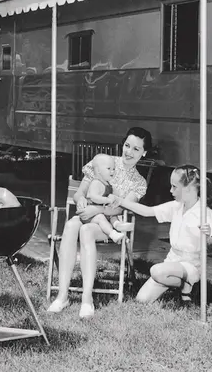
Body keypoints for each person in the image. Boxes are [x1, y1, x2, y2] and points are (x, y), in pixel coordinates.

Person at [47, 127, 152, 319]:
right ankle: (62, 295)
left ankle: (87, 299)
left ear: (144, 153)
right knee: (70, 225)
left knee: (86, 230)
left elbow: (121, 208)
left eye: (136, 149)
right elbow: (81, 191)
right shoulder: (104, 162)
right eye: (127, 145)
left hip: (109, 223)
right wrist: (80, 198)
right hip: (87, 214)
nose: (129, 152)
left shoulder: (139, 182)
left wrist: (96, 210)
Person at [112, 164, 212, 303]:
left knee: (156, 271)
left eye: (174, 187)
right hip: (171, 261)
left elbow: (211, 246)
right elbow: (147, 211)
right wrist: (120, 201)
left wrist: (207, 236)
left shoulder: (205, 212)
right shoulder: (176, 206)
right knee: (141, 300)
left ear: (188, 188)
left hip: (191, 266)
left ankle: (189, 284)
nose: (171, 190)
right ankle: (183, 285)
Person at [83, 153, 125, 244]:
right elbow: (93, 197)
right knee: (100, 217)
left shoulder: (108, 184)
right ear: (98, 170)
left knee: (113, 216)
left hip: (103, 213)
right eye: (109, 169)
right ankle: (112, 234)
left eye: (113, 169)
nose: (112, 172)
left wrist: (116, 197)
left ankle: (117, 225)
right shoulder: (96, 183)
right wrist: (107, 200)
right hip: (90, 217)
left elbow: (115, 195)